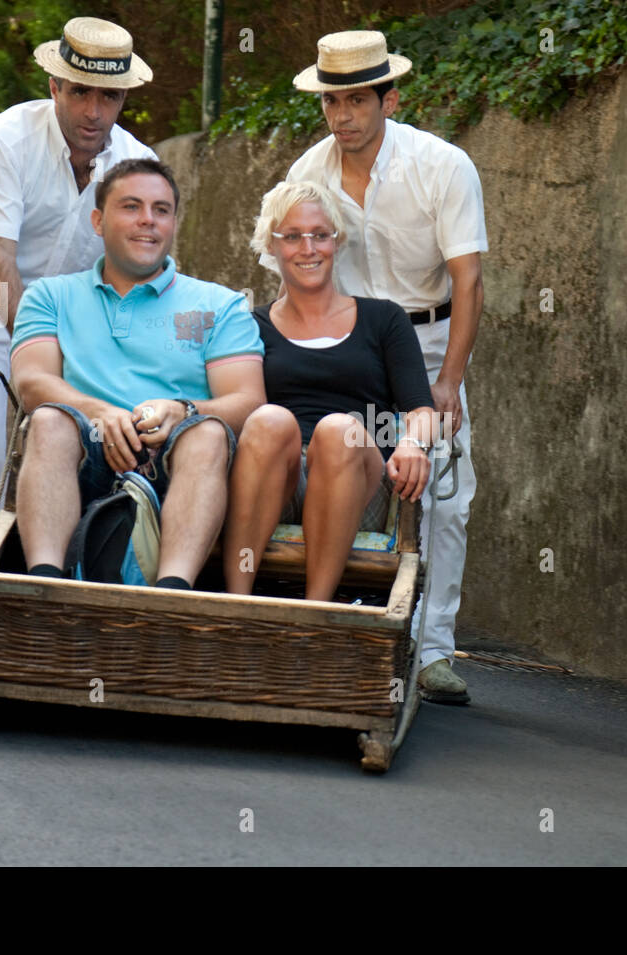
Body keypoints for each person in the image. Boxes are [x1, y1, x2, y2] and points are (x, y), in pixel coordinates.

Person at [260, 30, 487, 704]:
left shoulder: (443, 166)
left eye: (357, 100)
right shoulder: (308, 173)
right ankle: (328, 617)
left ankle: (433, 652)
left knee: (444, 486)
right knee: (331, 461)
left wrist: (448, 378)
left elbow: (469, 281)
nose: (342, 116)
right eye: (332, 102)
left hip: (430, 334)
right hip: (351, 345)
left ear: (390, 98)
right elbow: (290, 269)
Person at [0, 17, 158, 650]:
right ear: (54, 83)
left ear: (124, 98)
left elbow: (145, 272)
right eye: (79, 91)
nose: (93, 110)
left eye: (108, 96)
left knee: (91, 455)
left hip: (74, 317)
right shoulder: (3, 139)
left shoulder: (137, 164)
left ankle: (70, 623)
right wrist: (38, 368)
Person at [10, 159, 265, 586]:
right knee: (49, 420)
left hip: (176, 457)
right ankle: (45, 589)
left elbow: (248, 400)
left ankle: (170, 595)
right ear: (98, 220)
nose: (148, 220)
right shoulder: (49, 296)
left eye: (161, 210)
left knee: (208, 434)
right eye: (131, 206)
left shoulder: (221, 305)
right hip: (83, 450)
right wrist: (101, 412)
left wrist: (182, 409)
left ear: (173, 223)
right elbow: (32, 382)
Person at [226, 181, 435, 603]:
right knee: (269, 419)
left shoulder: (384, 320)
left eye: (320, 235)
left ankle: (314, 613)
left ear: (336, 242)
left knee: (340, 430)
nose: (309, 248)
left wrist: (412, 441)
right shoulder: (249, 326)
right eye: (293, 236)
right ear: (271, 244)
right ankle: (237, 606)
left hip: (358, 479)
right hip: (276, 480)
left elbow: (422, 409)